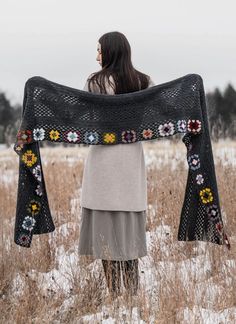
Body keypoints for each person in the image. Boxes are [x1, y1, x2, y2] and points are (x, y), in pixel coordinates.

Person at [78, 31, 155, 298]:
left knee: (105, 235)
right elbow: (150, 121)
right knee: (128, 234)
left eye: (99, 50)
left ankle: (114, 295)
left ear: (110, 52)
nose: (96, 55)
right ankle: (132, 295)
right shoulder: (144, 81)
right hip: (130, 160)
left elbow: (86, 119)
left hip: (103, 160)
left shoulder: (95, 82)